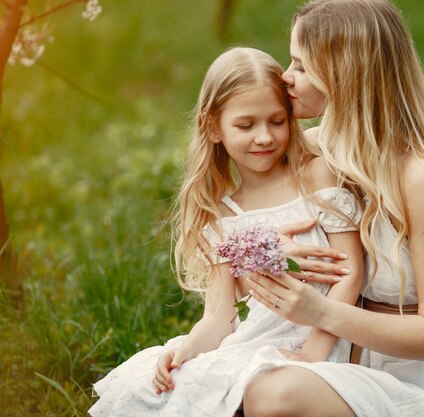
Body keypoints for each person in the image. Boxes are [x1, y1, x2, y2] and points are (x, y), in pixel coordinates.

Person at [88, 46, 364, 417]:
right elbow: (220, 317)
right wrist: (187, 349)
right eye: (246, 125)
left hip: (321, 342)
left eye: (277, 121)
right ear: (213, 127)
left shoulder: (316, 178)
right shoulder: (219, 216)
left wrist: (313, 351)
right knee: (167, 392)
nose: (264, 137)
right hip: (250, 344)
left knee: (254, 394)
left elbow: (351, 274)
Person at [242, 0, 424, 416]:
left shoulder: (419, 177)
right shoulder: (317, 148)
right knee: (200, 384)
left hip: (402, 384)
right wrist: (271, 248)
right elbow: (231, 226)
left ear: (345, 75)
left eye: (301, 66)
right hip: (325, 358)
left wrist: (321, 310)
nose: (286, 77)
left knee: (272, 396)